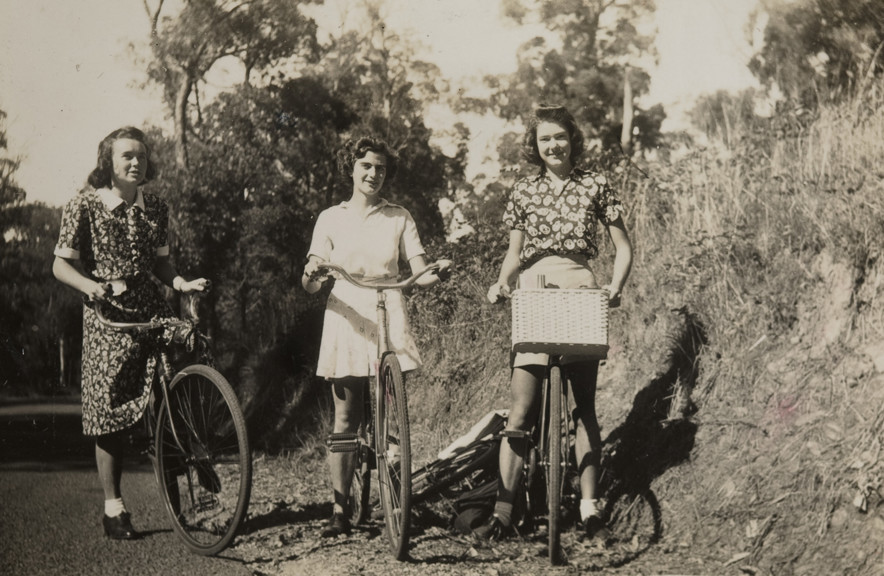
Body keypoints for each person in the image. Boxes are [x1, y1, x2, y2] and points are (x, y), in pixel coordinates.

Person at [479, 105, 633, 541]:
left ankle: (589, 509)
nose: (553, 145)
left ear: (572, 139)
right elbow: (514, 253)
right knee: (521, 409)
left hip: (581, 289)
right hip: (534, 290)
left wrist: (615, 288)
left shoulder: (595, 184)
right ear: (535, 146)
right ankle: (503, 513)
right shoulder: (524, 190)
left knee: (583, 406)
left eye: (560, 137)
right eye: (545, 139)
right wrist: (500, 283)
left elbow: (623, 245)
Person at [53, 126, 209, 540]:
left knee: (185, 361)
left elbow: (162, 264)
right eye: (127, 156)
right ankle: (114, 508)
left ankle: (190, 449)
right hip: (108, 314)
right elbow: (61, 265)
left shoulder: (155, 207)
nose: (136, 163)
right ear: (109, 163)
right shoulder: (84, 206)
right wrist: (89, 286)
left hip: (150, 308)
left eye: (141, 156)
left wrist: (181, 284)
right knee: (110, 412)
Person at [302, 136, 451, 538]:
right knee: (347, 416)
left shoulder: (399, 216)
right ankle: (339, 508)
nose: (373, 174)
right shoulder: (330, 217)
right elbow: (311, 278)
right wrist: (314, 274)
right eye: (366, 165)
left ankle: (392, 493)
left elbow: (419, 269)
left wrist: (437, 270)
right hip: (347, 309)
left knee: (391, 410)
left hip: (389, 304)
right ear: (350, 168)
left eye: (381, 168)